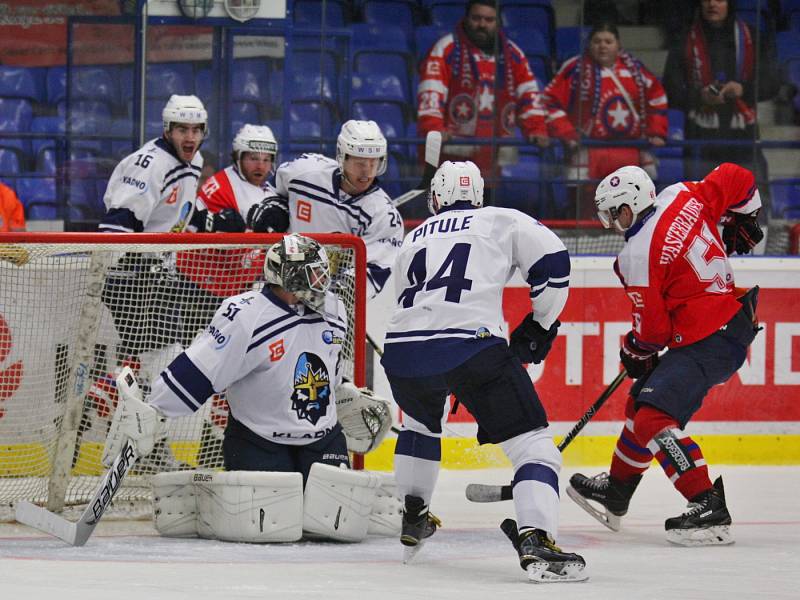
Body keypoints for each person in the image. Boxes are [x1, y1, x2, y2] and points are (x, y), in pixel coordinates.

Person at [101, 234, 394, 542]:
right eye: (313, 275)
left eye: (323, 274)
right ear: (287, 278)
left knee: (335, 530)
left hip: (322, 441)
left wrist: (340, 393)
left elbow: (325, 366)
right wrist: (153, 409)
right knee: (272, 530)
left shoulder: (333, 309)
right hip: (260, 440)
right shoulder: (245, 315)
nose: (322, 284)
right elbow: (200, 369)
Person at [380, 161, 587, 582]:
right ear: (479, 195)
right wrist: (541, 324)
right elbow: (554, 263)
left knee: (421, 425)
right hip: (469, 346)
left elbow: (404, 300)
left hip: (402, 354)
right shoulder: (500, 219)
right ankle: (537, 539)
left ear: (434, 199)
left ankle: (413, 516)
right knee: (535, 448)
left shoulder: (413, 237)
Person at [568, 162, 763, 546]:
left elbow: (653, 332)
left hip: (709, 335)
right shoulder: (682, 194)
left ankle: (707, 503)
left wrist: (633, 350)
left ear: (628, 207)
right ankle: (617, 492)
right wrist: (746, 214)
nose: (612, 222)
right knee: (639, 404)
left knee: (653, 416)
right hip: (724, 324)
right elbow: (737, 175)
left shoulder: (634, 257)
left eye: (613, 213)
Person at [245, 119, 403, 298]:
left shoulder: (384, 216)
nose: (367, 172)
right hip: (279, 288)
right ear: (342, 158)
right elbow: (272, 189)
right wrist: (272, 205)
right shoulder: (305, 172)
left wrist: (321, 293)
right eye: (360, 163)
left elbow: (370, 276)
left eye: (373, 163)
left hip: (330, 305)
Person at [543, 22, 667, 218]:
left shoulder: (636, 69)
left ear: (618, 44)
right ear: (589, 45)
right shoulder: (575, 69)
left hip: (631, 150)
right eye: (597, 41)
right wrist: (567, 133)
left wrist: (656, 131)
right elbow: (550, 100)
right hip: (588, 149)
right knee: (586, 208)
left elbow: (657, 98)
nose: (602, 46)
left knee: (632, 207)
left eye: (608, 41)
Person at [416, 0, 548, 178]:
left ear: (497, 23)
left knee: (487, 204)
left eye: (489, 20)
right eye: (476, 18)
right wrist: (434, 128)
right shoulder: (446, 48)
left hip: (491, 160)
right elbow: (431, 91)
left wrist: (536, 129)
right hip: (449, 159)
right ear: (466, 19)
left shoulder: (513, 54)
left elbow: (529, 95)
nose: (482, 25)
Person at [662, 0, 779, 185]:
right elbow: (671, 89)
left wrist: (743, 89)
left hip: (743, 140)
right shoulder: (683, 38)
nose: (712, 4)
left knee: (748, 206)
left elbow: (772, 83)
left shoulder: (754, 37)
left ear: (730, 3)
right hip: (699, 140)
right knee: (701, 206)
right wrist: (700, 95)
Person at [99, 94, 207, 233]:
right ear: (167, 131)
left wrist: (209, 221)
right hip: (137, 254)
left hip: (163, 253)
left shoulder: (195, 159)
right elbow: (116, 227)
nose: (190, 138)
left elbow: (174, 212)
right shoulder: (150, 166)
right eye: (182, 130)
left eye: (196, 130)